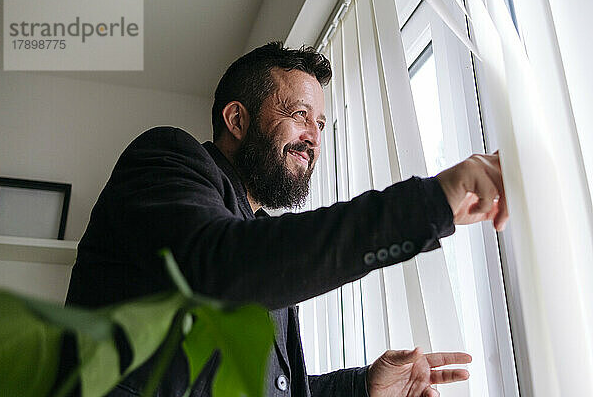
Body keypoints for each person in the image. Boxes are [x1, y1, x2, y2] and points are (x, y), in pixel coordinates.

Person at [65, 41, 508, 396]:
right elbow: (222, 270)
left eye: (320, 122)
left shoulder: (256, 238)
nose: (314, 138)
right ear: (237, 119)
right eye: (299, 115)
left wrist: (361, 387)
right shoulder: (167, 157)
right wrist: (428, 203)